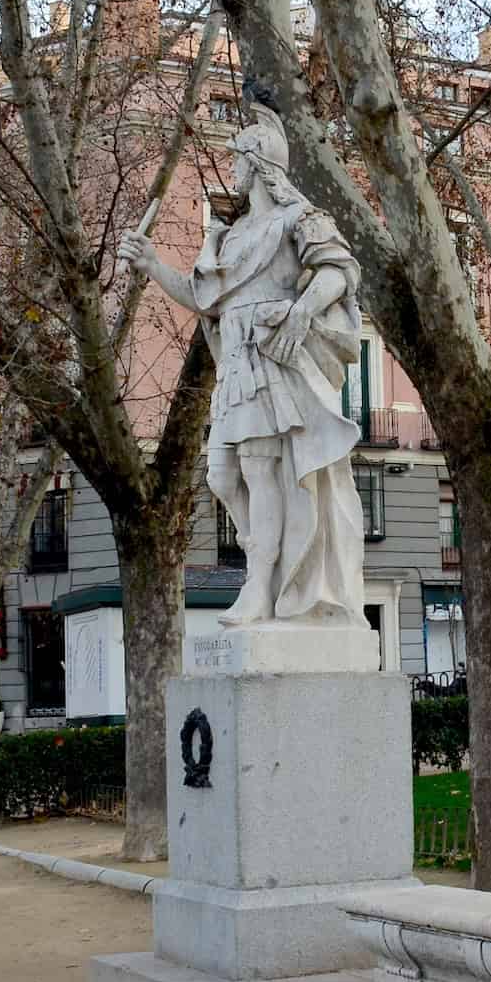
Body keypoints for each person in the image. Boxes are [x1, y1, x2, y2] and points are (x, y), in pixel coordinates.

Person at [118, 87, 367, 628]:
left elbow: (336, 271)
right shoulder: (231, 237)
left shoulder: (298, 218)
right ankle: (270, 570)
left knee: (255, 470)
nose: (231, 165)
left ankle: (261, 586)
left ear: (255, 165)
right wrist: (152, 264)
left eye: (237, 158)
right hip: (234, 364)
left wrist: (301, 312)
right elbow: (203, 297)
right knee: (221, 477)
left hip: (270, 358)